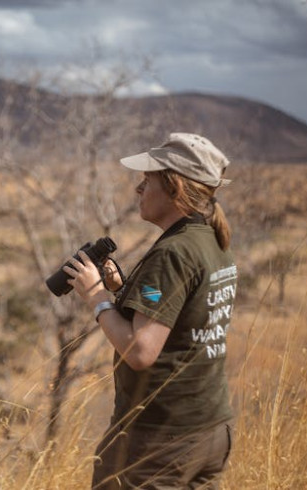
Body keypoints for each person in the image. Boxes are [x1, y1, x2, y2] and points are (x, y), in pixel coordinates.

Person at [64, 133, 237, 489]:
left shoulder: (172, 253)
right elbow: (184, 319)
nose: (138, 189)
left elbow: (141, 351)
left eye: (148, 180)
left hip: (159, 440)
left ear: (174, 187)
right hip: (209, 430)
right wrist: (119, 289)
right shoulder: (209, 240)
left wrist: (96, 297)